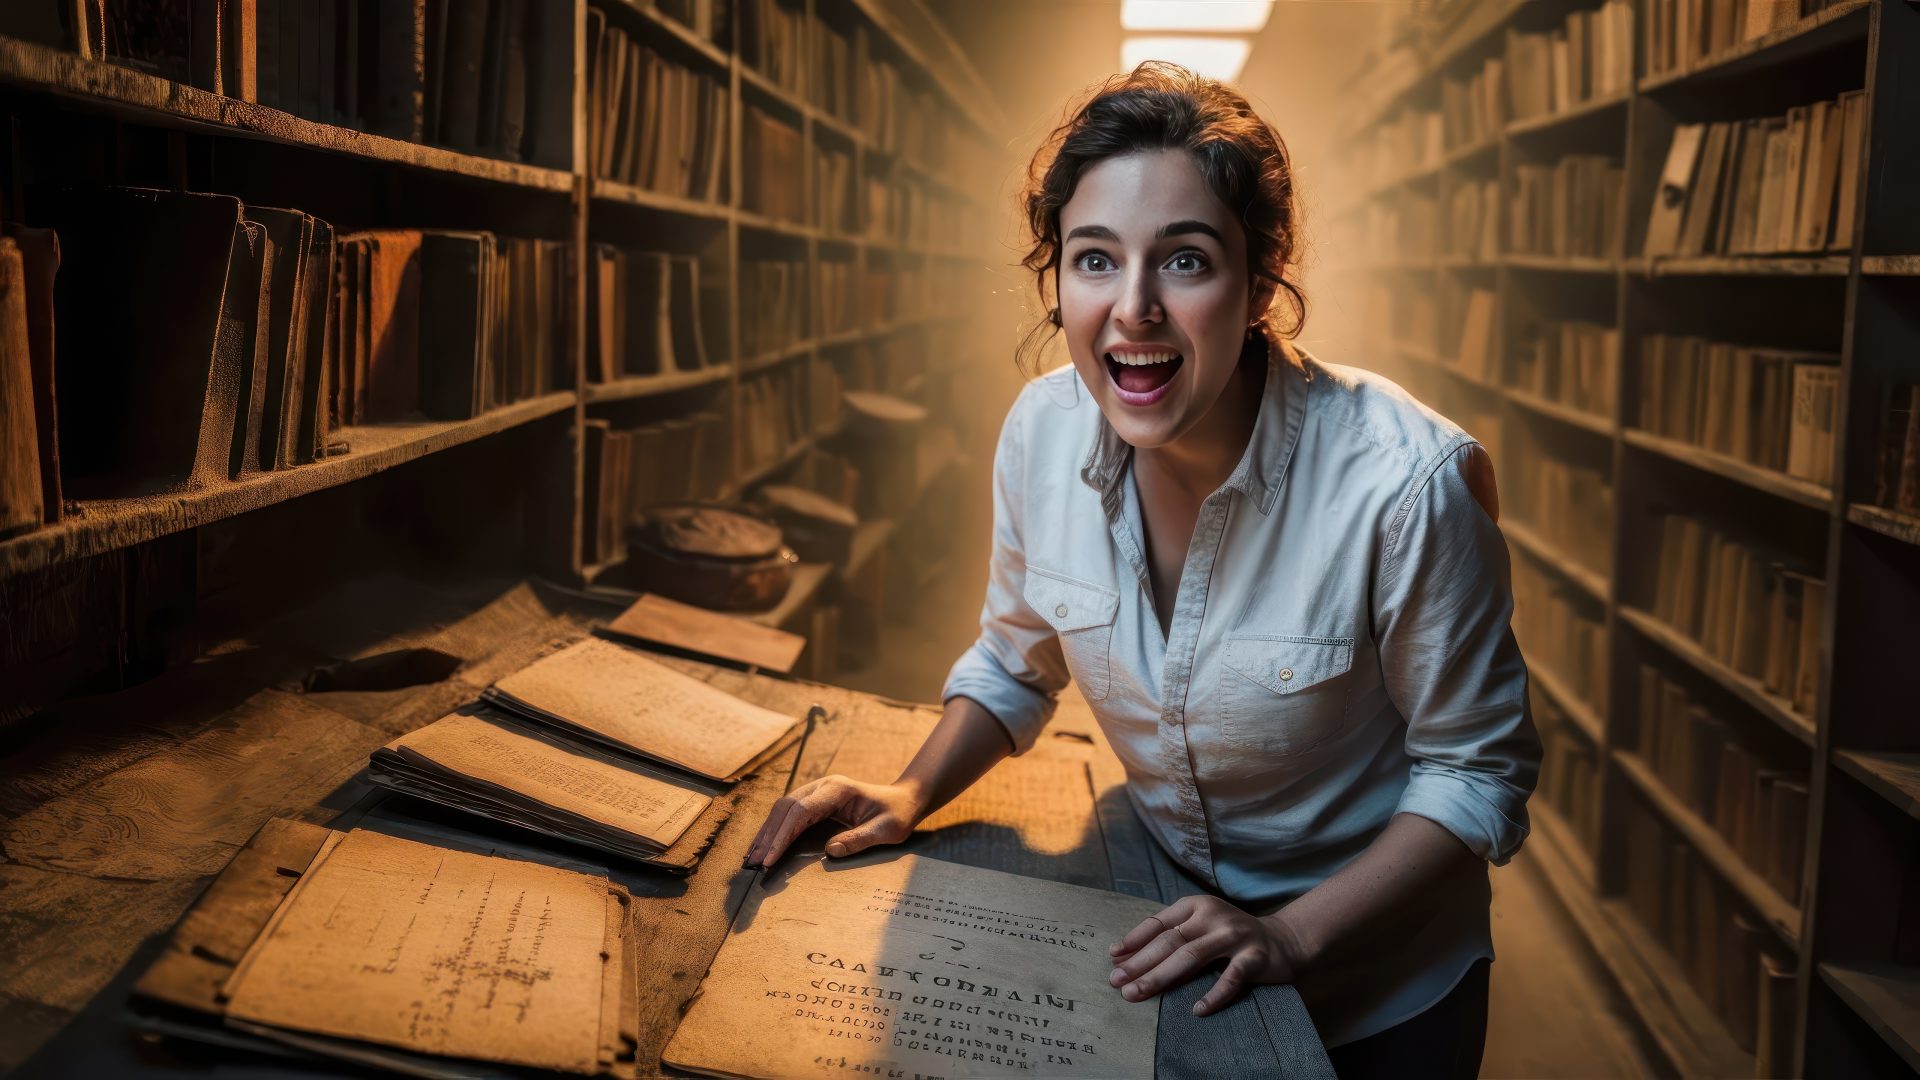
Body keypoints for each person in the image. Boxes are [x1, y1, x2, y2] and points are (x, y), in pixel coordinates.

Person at [745, 61, 1538, 1078]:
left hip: (1379, 991)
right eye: (1094, 260)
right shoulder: (1040, 433)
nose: (1133, 310)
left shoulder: (1405, 484)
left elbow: (1476, 776)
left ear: (1260, 280)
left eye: (1185, 261)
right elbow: (1014, 659)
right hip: (1167, 941)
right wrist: (909, 792)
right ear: (1058, 279)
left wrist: (1290, 938)